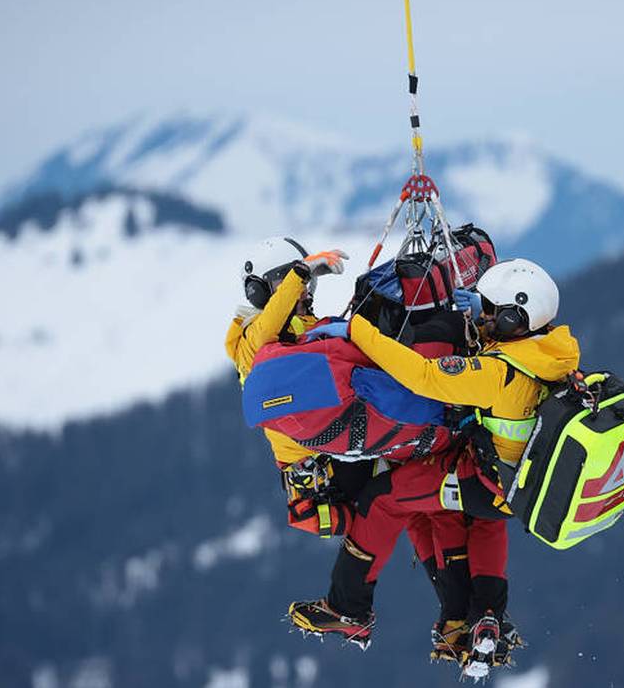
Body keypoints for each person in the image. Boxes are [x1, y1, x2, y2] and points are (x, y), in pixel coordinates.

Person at [288, 258, 580, 676]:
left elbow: (423, 376)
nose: (486, 315)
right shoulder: (551, 352)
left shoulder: (498, 373)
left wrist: (356, 331)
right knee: (458, 518)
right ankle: (476, 617)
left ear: (517, 317)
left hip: (479, 482)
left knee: (382, 500)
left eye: (493, 310)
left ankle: (347, 607)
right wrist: (478, 323)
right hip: (514, 485)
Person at [223, 236, 366, 535]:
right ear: (260, 291)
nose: (303, 292)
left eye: (306, 285)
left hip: (337, 442)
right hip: (311, 461)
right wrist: (301, 272)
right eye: (286, 282)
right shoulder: (250, 340)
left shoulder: (307, 327)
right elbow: (268, 328)